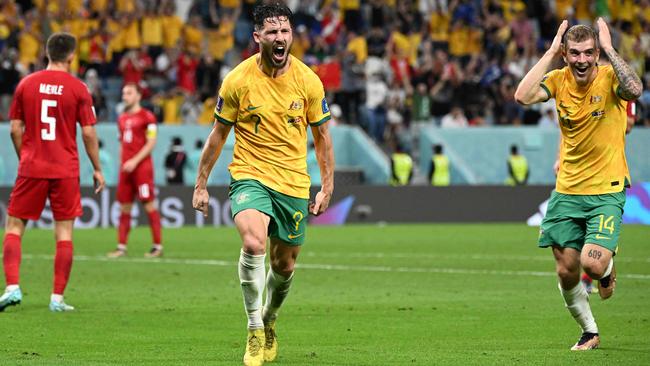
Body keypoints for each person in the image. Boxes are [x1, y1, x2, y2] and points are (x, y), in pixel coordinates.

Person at [191, 4, 334, 365]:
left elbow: (322, 139)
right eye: (272, 32)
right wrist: (201, 183)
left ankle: (269, 319)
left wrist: (327, 185)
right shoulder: (237, 80)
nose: (280, 38)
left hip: (293, 183)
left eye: (284, 31)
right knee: (253, 242)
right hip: (249, 174)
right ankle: (254, 328)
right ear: (258, 37)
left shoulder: (308, 81)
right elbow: (217, 135)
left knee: (284, 265)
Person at [514, 19, 642, 351]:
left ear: (596, 52)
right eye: (574, 53)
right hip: (567, 190)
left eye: (588, 52)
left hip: (606, 188)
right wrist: (550, 51)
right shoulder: (558, 81)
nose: (582, 59)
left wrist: (611, 49)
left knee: (593, 263)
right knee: (566, 270)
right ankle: (589, 331)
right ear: (566, 55)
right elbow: (522, 95)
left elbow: (636, 90)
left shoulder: (612, 78)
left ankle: (608, 266)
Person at [0, 32, 105, 312]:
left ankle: (12, 287)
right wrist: (97, 168)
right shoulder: (78, 88)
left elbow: (14, 128)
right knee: (64, 233)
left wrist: (26, 155)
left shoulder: (26, 84)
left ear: (47, 53)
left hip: (32, 166)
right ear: (71, 56)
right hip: (65, 168)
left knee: (13, 227)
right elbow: (89, 133)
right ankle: (56, 298)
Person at [107, 83, 162, 258]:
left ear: (138, 96)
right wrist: (122, 163)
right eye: (123, 92)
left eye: (129, 93)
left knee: (149, 204)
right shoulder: (121, 118)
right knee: (124, 207)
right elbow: (122, 143)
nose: (124, 96)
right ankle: (121, 247)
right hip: (126, 169)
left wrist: (135, 161)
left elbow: (151, 143)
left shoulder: (148, 117)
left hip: (142, 168)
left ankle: (157, 246)